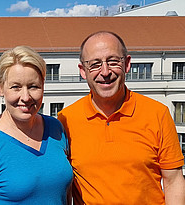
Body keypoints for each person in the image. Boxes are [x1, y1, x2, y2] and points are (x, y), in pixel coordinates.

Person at [58, 31, 185, 205]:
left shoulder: (157, 114)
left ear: (126, 64)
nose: (105, 72)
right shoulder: (66, 119)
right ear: (83, 71)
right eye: (95, 64)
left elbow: (174, 181)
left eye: (113, 61)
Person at [0, 46, 73, 205]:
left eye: (33, 86)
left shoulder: (56, 129)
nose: (25, 97)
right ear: (1, 88)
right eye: (16, 87)